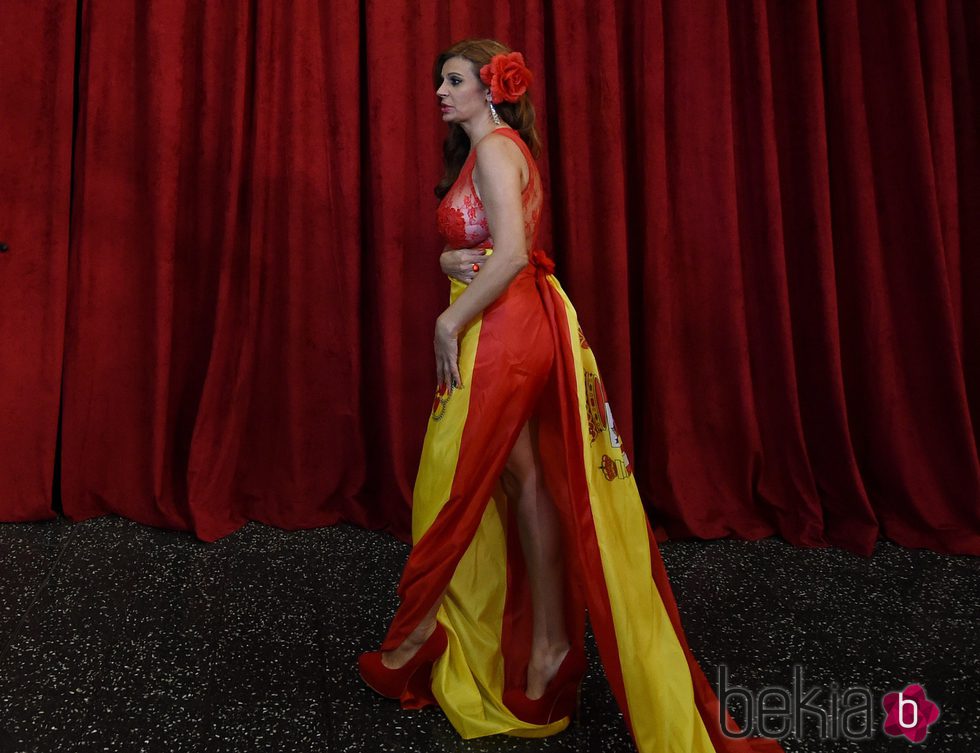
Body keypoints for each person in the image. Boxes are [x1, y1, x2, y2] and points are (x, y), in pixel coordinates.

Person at [358, 38, 785, 753]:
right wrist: (445, 261)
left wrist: (449, 317)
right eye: (439, 79)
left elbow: (517, 256)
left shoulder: (494, 149)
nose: (440, 90)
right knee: (523, 481)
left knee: (453, 479)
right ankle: (548, 651)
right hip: (511, 320)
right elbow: (491, 244)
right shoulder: (481, 150)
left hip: (503, 329)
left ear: (491, 89)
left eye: (455, 79)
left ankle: (418, 642)